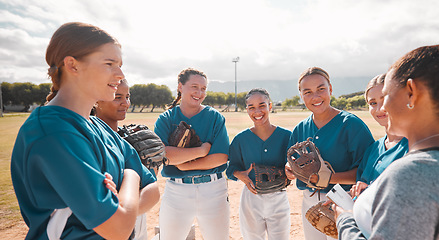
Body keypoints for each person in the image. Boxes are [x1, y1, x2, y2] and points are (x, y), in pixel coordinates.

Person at [335, 22, 439, 239]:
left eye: (386, 95)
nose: (383, 107)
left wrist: (346, 220)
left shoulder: (413, 174)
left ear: (411, 92)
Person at [10, 22, 156, 239]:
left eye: (120, 65)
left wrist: (123, 203)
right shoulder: (53, 132)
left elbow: (153, 190)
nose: (120, 74)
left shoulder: (98, 126)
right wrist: (132, 174)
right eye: (110, 63)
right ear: (73, 65)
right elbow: (117, 229)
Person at [285, 67, 374, 240]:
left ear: (330, 89)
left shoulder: (351, 125)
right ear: (301, 96)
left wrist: (326, 178)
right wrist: (289, 170)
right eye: (308, 92)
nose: (315, 97)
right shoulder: (300, 129)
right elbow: (291, 165)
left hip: (343, 199)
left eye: (321, 89)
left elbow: (365, 174)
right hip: (309, 199)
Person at [154, 68, 230, 240]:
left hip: (213, 190)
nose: (199, 93)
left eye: (203, 88)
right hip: (176, 191)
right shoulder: (166, 118)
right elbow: (165, 155)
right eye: (194, 87)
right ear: (180, 86)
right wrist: (201, 151)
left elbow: (220, 157)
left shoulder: (214, 117)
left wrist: (183, 164)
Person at [93, 78, 160, 240]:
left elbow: (151, 187)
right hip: (99, 226)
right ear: (96, 100)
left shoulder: (126, 141)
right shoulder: (89, 139)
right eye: (118, 97)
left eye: (127, 97)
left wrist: (126, 213)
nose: (126, 103)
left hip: (134, 216)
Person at [226, 88, 292, 240]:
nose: (257, 111)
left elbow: (293, 165)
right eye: (251, 107)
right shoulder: (241, 139)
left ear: (270, 106)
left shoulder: (286, 136)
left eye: (262, 105)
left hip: (279, 196)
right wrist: (239, 174)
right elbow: (232, 168)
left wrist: (291, 171)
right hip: (251, 197)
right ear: (247, 110)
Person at [349, 74, 409, 198]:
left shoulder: (416, 146)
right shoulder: (373, 149)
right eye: (373, 103)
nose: (379, 108)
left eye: (385, 99)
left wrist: (371, 190)